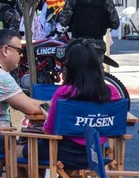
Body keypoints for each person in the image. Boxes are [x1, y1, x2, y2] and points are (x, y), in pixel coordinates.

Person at [17, 39, 122, 174]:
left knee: (16, 151)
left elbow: (48, 131)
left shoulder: (64, 93)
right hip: (96, 154)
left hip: (62, 153)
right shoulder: (112, 92)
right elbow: (114, 127)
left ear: (70, 67)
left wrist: (48, 117)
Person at [59, 0, 119, 64]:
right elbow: (115, 23)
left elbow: (63, 21)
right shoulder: (105, 0)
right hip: (97, 47)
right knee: (97, 76)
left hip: (76, 46)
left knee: (70, 76)